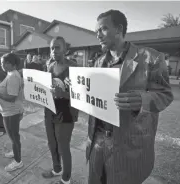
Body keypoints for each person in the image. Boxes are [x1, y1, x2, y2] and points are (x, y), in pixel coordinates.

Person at [64, 10, 173, 184]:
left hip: (129, 144)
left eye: (103, 29)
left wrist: (142, 99)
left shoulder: (150, 58)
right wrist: (76, 86)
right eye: (96, 31)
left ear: (118, 29)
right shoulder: (99, 62)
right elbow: (93, 97)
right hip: (97, 140)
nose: (98, 35)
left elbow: (165, 95)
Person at [42, 36, 78, 184]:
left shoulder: (73, 68)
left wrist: (62, 94)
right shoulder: (50, 66)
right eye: (51, 48)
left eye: (57, 47)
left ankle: (66, 178)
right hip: (50, 109)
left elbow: (80, 95)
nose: (53, 51)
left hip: (66, 113)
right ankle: (57, 169)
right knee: (52, 143)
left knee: (63, 147)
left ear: (65, 50)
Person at [0, 53, 24, 172]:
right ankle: (15, 151)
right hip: (9, 111)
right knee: (13, 136)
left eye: (3, 63)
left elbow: (11, 97)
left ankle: (18, 161)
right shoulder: (11, 74)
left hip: (12, 112)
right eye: (1, 63)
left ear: (10, 64)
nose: (1, 65)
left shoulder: (13, 76)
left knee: (13, 136)